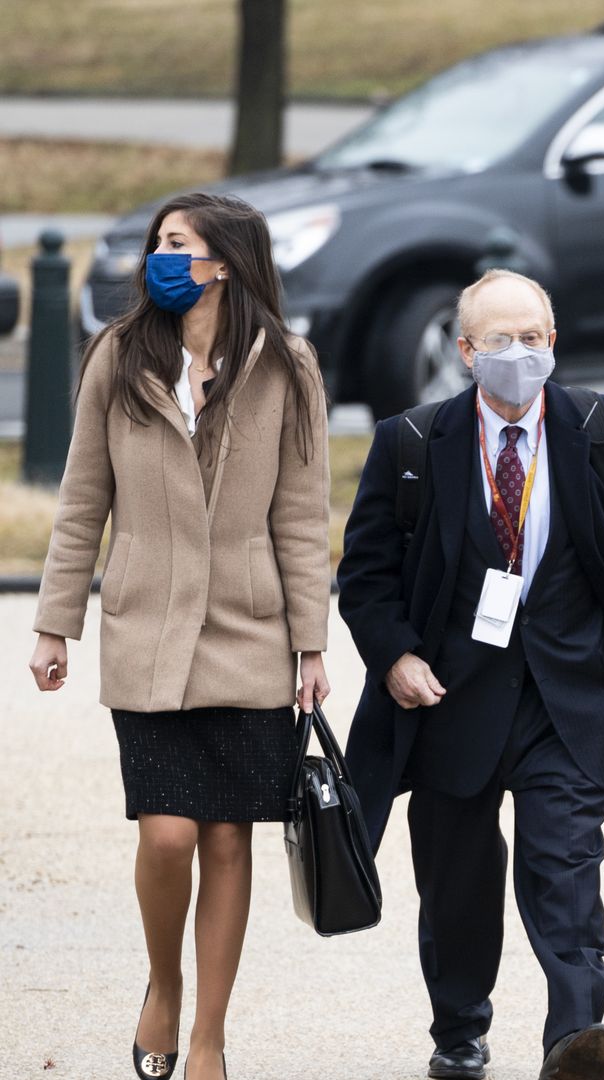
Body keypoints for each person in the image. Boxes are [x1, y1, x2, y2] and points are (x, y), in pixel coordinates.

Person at [337, 269, 604, 1080]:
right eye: (498, 340)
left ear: (554, 343)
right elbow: (364, 575)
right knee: (457, 883)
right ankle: (459, 1028)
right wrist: (394, 654)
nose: (518, 354)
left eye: (532, 338)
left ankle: (577, 1030)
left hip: (568, 698)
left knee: (565, 863)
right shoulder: (410, 441)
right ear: (466, 351)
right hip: (449, 700)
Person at [29, 191, 332, 1080]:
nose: (159, 256)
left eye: (177, 243)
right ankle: (162, 986)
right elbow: (83, 499)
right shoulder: (120, 357)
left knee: (229, 839)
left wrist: (311, 645)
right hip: (147, 629)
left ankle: (209, 1035)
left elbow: (303, 517)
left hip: (250, 636)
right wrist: (57, 623)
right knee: (166, 835)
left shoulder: (288, 367)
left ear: (225, 262)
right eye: (159, 243)